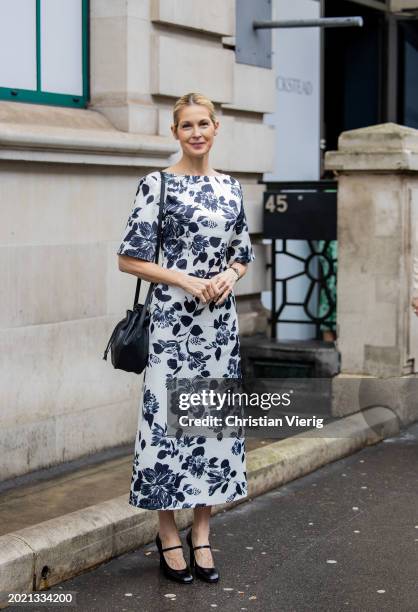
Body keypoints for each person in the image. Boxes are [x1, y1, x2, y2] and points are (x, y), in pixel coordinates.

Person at [116, 92, 256, 584]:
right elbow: (128, 258)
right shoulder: (157, 185)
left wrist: (230, 276)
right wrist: (185, 279)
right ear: (175, 133)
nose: (196, 132)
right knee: (166, 427)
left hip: (218, 327)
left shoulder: (232, 188)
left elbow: (244, 252)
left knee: (207, 427)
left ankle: (201, 533)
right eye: (186, 125)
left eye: (204, 124)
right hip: (173, 325)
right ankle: (167, 534)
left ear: (216, 129)